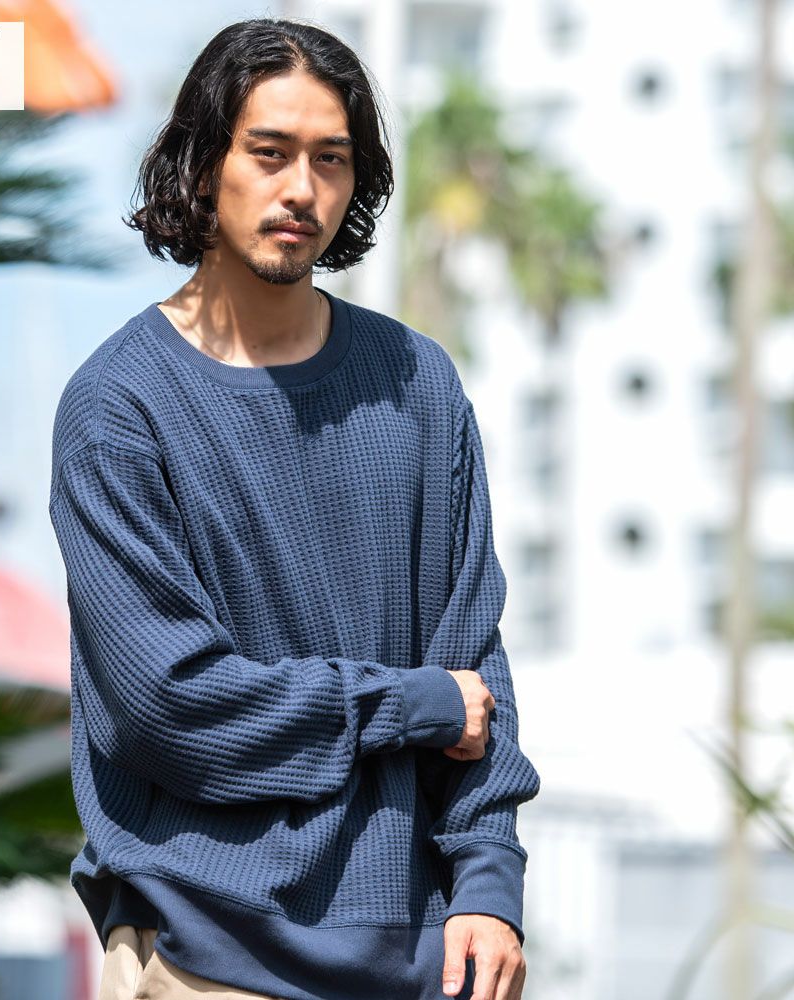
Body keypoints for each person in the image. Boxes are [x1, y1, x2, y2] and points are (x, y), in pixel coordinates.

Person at [48, 17, 541, 1000]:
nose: (301, 190)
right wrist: (408, 704)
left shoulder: (417, 385)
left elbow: (473, 666)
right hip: (202, 954)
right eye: (268, 153)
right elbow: (169, 705)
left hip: (427, 959)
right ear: (202, 167)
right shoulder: (118, 408)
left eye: (331, 159)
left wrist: (489, 883)